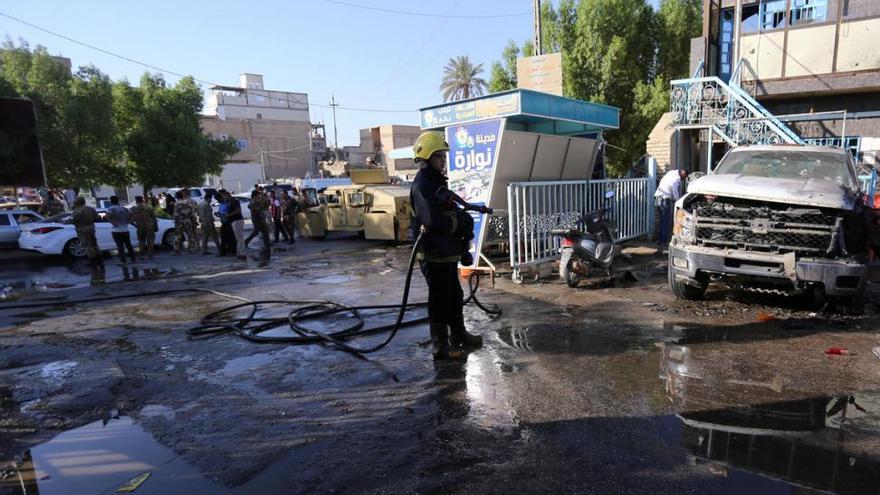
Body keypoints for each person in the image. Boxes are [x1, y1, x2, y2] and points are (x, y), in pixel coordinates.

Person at [410, 131, 482, 360]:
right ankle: (439, 345)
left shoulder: (435, 182)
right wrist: (459, 222)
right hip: (432, 254)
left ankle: (459, 335)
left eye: (443, 156)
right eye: (439, 156)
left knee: (454, 295)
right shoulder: (422, 185)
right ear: (427, 157)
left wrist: (462, 219)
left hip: (446, 253)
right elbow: (433, 221)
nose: (443, 160)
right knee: (439, 299)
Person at [654, 168, 689, 245]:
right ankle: (664, 241)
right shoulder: (677, 178)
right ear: (683, 174)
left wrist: (672, 198)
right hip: (664, 200)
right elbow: (674, 189)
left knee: (661, 221)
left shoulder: (671, 172)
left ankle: (659, 240)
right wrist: (678, 200)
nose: (683, 180)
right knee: (666, 221)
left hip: (657, 198)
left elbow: (668, 185)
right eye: (684, 178)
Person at [72, 197, 102, 266]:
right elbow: (97, 218)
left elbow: (73, 220)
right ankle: (99, 259)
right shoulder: (91, 209)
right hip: (91, 228)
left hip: (82, 230)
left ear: (77, 203)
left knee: (87, 245)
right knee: (94, 244)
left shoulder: (77, 211)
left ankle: (92, 260)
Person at [107, 195, 137, 264]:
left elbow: (107, 216)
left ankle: (123, 260)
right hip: (125, 229)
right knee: (128, 245)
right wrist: (129, 220)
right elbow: (132, 214)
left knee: (120, 246)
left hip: (116, 230)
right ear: (118, 201)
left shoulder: (111, 208)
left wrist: (113, 222)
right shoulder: (123, 208)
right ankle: (133, 259)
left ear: (111, 201)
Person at [244, 189, 271, 257]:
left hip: (260, 219)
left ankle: (267, 245)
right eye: (258, 195)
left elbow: (266, 205)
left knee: (264, 232)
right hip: (257, 219)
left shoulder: (257, 201)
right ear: (255, 195)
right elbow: (254, 209)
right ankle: (246, 242)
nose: (259, 196)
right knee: (257, 231)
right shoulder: (253, 202)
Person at [226, 191, 247, 260]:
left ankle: (243, 253)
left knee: (239, 238)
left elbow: (238, 210)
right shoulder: (230, 202)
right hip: (234, 221)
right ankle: (240, 252)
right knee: (238, 238)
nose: (224, 198)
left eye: (224, 197)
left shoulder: (234, 201)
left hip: (237, 221)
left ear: (227, 196)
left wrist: (229, 215)